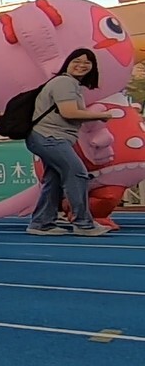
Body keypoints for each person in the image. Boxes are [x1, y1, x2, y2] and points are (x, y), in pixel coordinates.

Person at [25, 48, 113, 236]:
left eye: (87, 62)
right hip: (50, 137)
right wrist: (101, 115)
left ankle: (41, 222)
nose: (82, 65)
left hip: (48, 137)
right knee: (77, 173)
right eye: (77, 61)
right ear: (68, 63)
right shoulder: (65, 82)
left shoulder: (69, 83)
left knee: (54, 179)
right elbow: (68, 112)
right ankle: (83, 223)